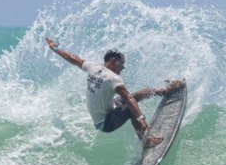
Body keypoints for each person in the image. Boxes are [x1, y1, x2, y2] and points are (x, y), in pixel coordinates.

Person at [45, 37, 185, 147]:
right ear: (113, 61)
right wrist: (142, 120)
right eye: (121, 63)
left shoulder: (93, 67)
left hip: (105, 115)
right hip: (106, 123)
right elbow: (129, 99)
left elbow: (73, 58)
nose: (123, 67)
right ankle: (145, 140)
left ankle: (165, 91)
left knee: (138, 94)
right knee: (132, 104)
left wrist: (55, 49)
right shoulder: (113, 78)